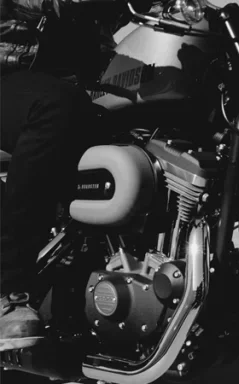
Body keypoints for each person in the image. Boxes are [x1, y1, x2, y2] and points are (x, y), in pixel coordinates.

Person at [0, 0, 160, 351]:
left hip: (87, 76)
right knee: (55, 106)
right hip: (10, 72)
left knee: (150, 121)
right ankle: (7, 290)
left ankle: (86, 312)